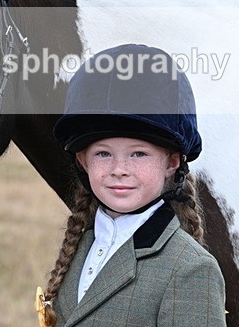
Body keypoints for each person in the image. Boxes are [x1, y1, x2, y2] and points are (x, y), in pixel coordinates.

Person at [35, 43, 226, 327]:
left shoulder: (192, 269)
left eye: (138, 154)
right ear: (83, 160)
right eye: (103, 153)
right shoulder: (81, 247)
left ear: (172, 162)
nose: (119, 170)